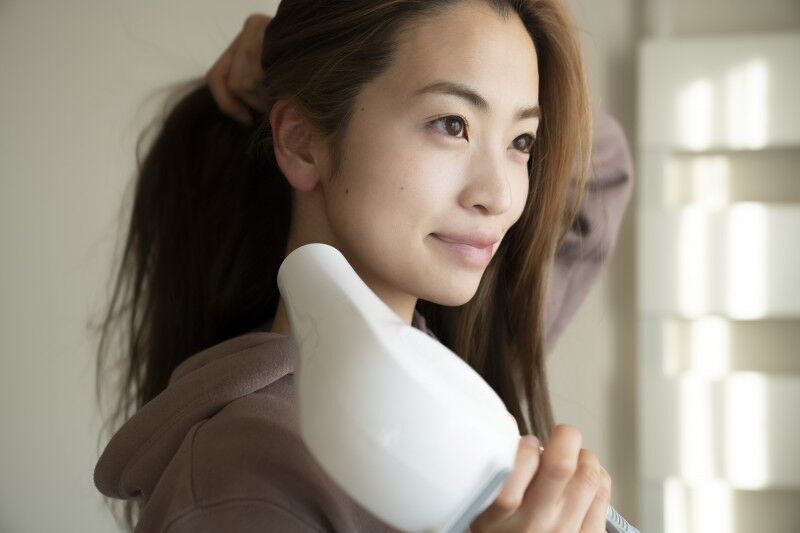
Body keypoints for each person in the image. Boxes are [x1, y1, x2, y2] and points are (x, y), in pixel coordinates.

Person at [93, 1, 634, 532]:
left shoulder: (457, 367)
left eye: (521, 141)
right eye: (452, 124)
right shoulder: (240, 480)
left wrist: (286, 55)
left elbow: (601, 168)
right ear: (301, 143)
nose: (499, 196)